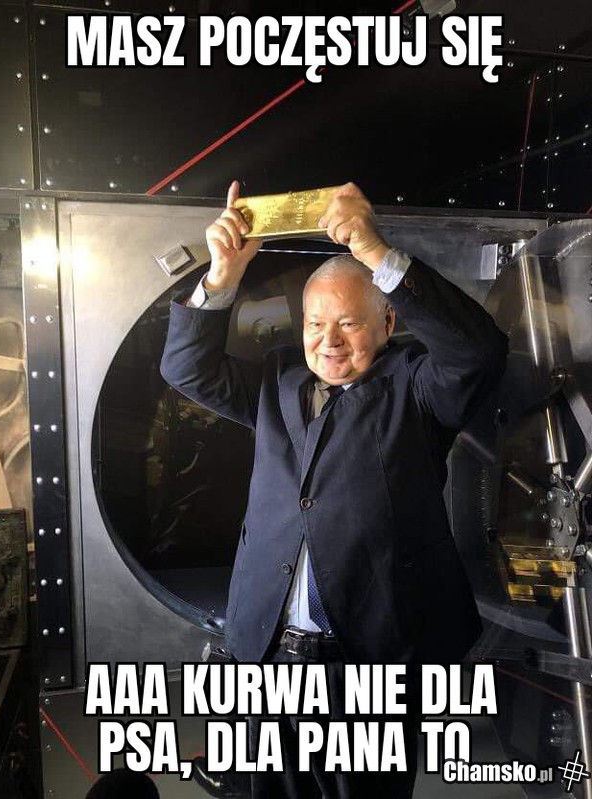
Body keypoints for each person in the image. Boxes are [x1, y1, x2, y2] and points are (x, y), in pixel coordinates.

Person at [160, 181, 508, 798]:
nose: (329, 340)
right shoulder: (278, 382)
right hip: (268, 651)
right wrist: (222, 276)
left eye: (348, 323)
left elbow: (478, 351)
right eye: (316, 323)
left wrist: (375, 251)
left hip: (372, 659)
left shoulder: (419, 388)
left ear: (387, 321)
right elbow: (186, 368)